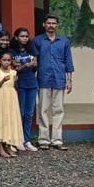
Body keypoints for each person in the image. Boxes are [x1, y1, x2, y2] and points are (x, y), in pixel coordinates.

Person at [33, 13, 73, 151]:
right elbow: (34, 61)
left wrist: (69, 80)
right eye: (48, 23)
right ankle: (43, 140)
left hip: (59, 78)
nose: (51, 25)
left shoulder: (64, 41)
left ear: (58, 25)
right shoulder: (38, 41)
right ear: (44, 25)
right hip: (43, 78)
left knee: (59, 110)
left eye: (54, 23)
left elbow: (68, 61)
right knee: (43, 109)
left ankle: (57, 140)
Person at [0, 51, 23, 158]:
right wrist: (3, 80)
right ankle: (0, 147)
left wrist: (16, 81)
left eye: (9, 60)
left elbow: (16, 88)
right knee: (0, 119)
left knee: (10, 120)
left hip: (11, 98)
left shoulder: (13, 72)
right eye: (4, 60)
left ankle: (9, 146)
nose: (6, 62)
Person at [11, 26, 39, 151]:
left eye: (26, 36)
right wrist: (23, 67)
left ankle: (27, 140)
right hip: (20, 84)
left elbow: (35, 66)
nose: (24, 38)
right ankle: (19, 139)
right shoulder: (12, 51)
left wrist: (34, 65)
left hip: (32, 83)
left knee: (29, 114)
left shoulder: (32, 50)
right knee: (20, 114)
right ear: (16, 37)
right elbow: (13, 69)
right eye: (22, 36)